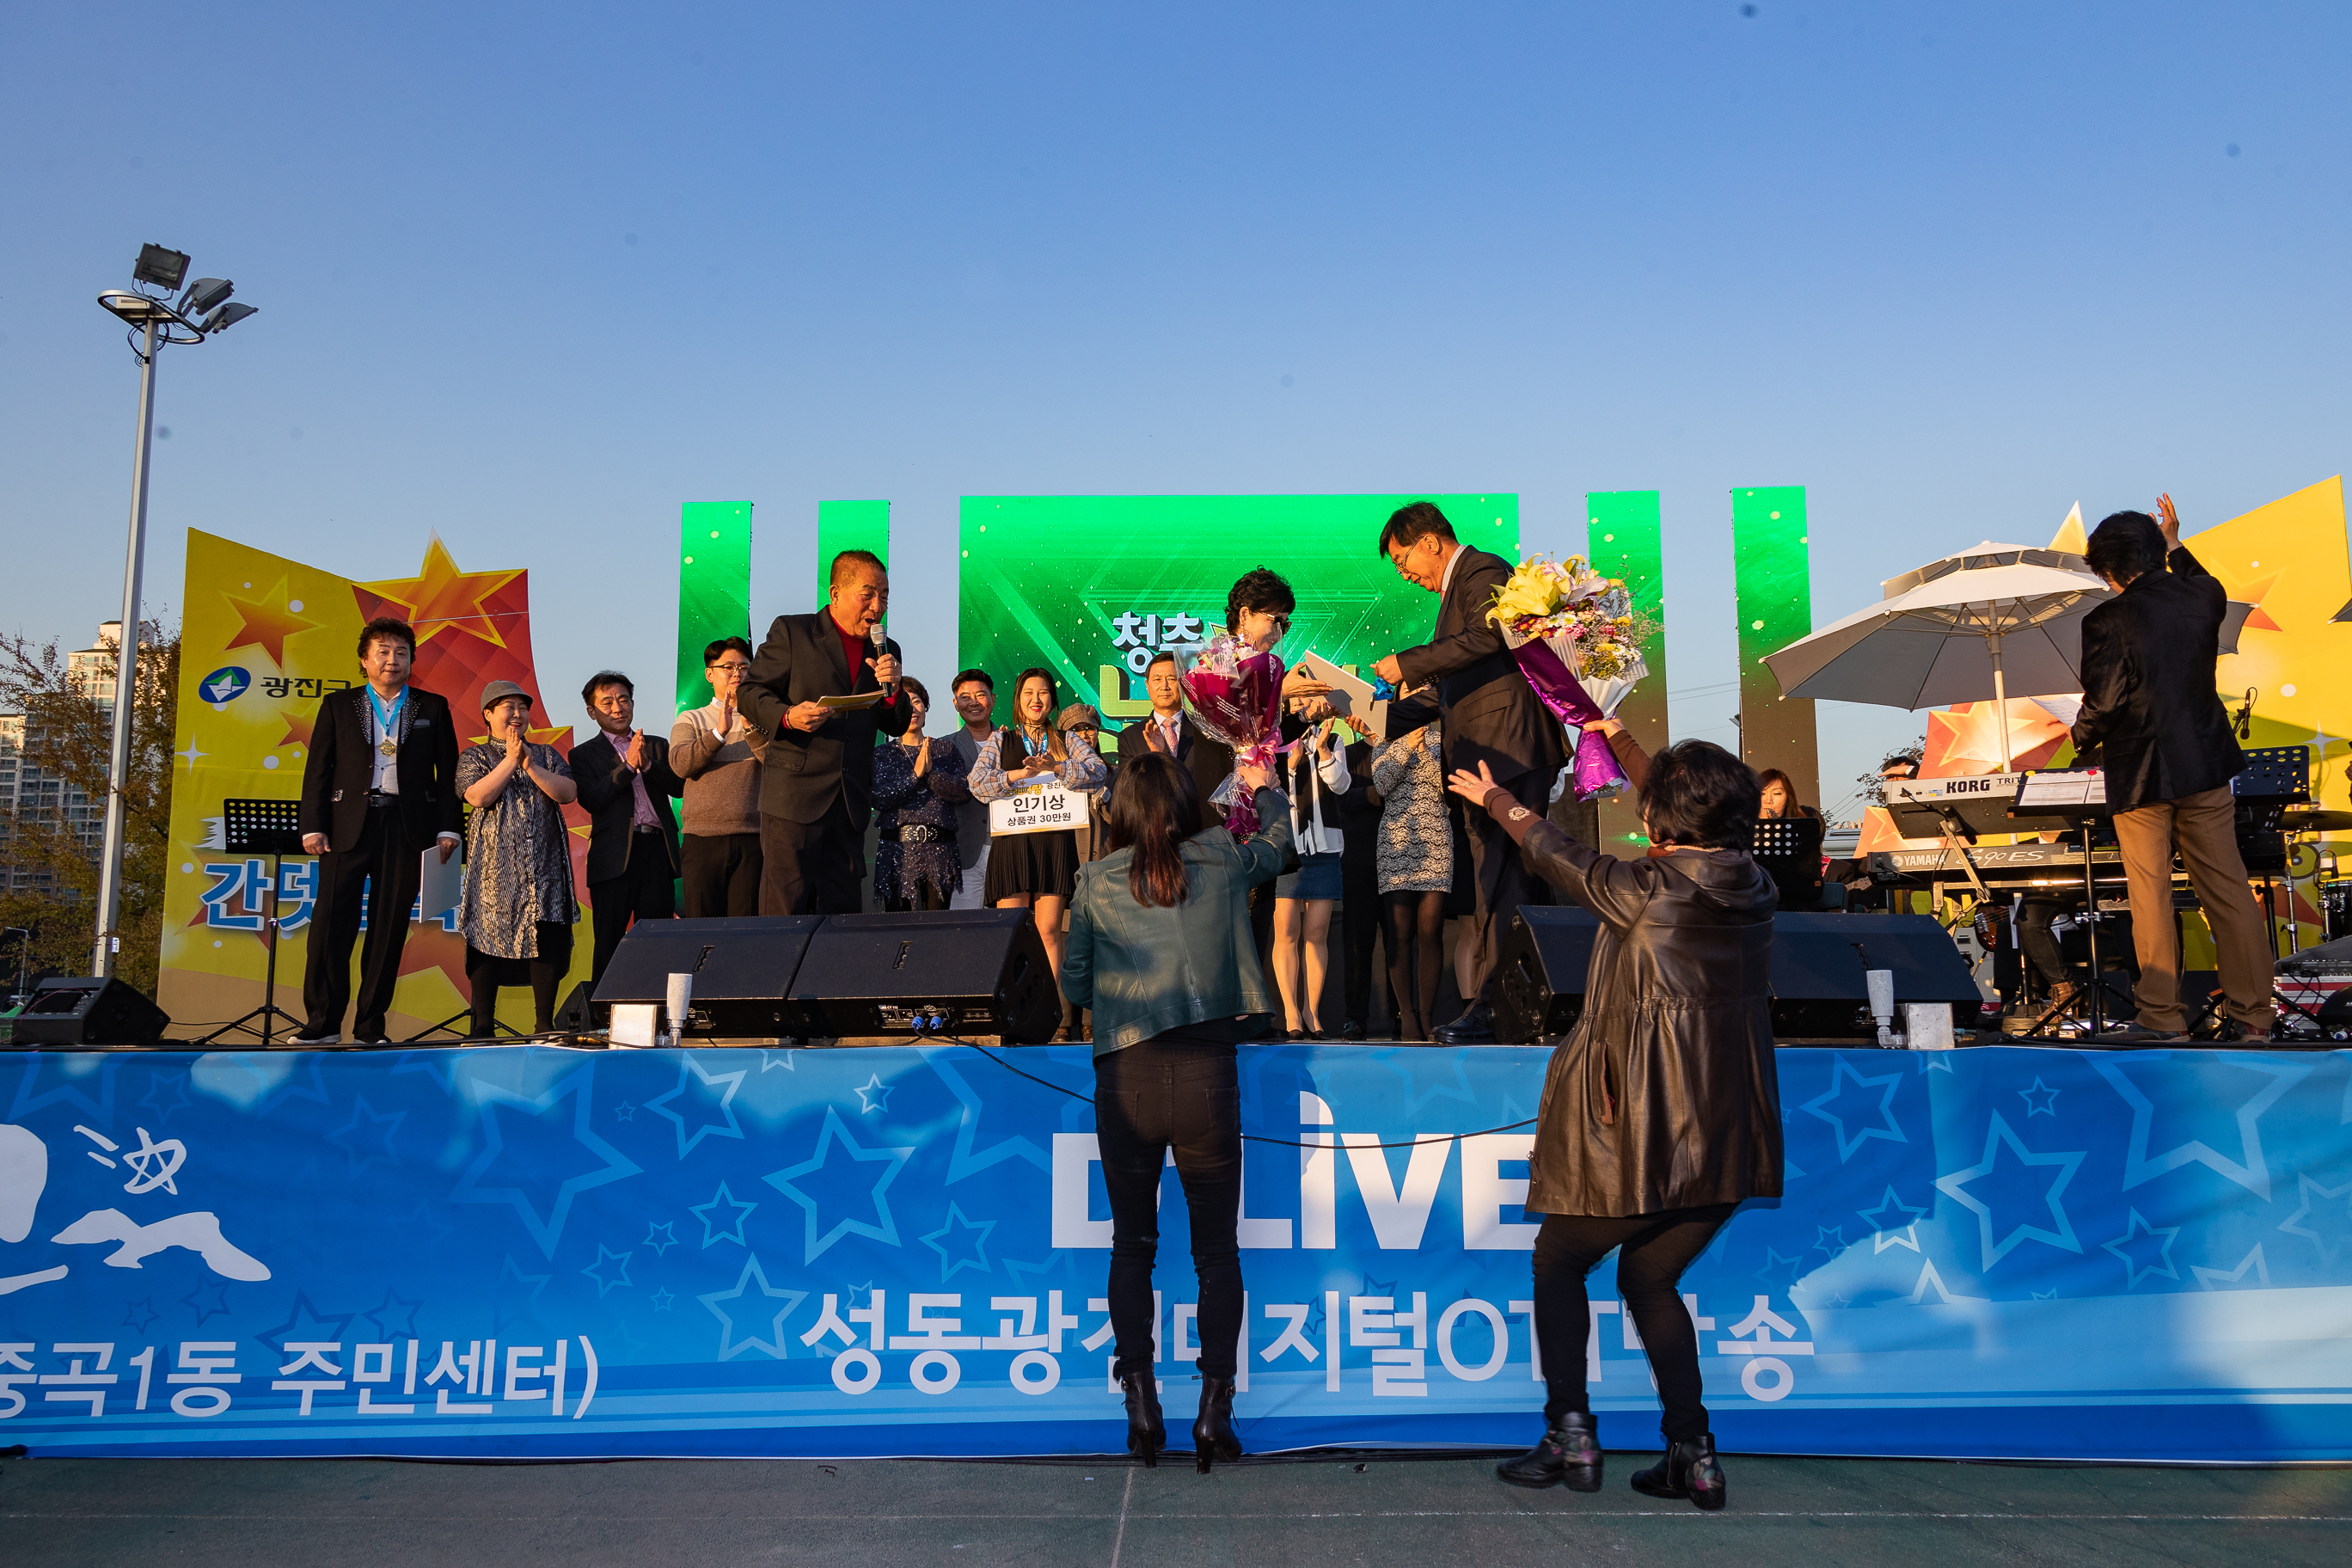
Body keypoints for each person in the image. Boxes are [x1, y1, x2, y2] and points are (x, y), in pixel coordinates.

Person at [1447, 741, 1779, 1511]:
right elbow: (1693, 805)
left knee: (1558, 1261)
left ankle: (1570, 1434)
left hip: (1647, 1135)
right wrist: (1621, 739)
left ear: (1663, 815)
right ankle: (1694, 1453)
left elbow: (1556, 852)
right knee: (1649, 1277)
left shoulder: (1646, 889)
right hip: (1728, 1139)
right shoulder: (1756, 885)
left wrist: (1498, 801)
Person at [1061, 750, 1290, 1473]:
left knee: (1133, 1246)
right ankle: (1215, 1409)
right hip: (1206, 1075)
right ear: (1188, 802)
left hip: (1126, 1076)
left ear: (1120, 811)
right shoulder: (1223, 858)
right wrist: (1267, 789)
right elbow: (1280, 845)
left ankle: (1140, 1403)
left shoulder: (1095, 879)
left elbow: (1074, 981)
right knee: (1216, 1250)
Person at [2074, 495, 2273, 1042]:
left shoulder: (2106, 619)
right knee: (2229, 891)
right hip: (2205, 763)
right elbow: (2196, 576)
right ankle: (2255, 1018)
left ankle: (2162, 1020)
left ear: (2107, 571)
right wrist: (2175, 540)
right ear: (2157, 552)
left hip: (2140, 771)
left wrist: (2079, 737)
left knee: (2151, 895)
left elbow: (2106, 701)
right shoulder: (2205, 596)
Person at [1372, 501, 1565, 1043]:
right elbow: (1443, 694)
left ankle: (1495, 1006)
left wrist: (1407, 663)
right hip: (1490, 753)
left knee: (1500, 881)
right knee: (1508, 881)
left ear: (1430, 542)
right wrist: (1372, 713)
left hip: (1506, 748)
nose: (1405, 575)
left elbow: (1489, 636)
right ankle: (1521, 1002)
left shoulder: (1482, 569)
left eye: (1402, 560)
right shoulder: (1457, 590)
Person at [294, 616, 462, 1045]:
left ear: (412, 661)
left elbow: (448, 774)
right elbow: (319, 768)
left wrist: (449, 828)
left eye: (401, 653)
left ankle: (370, 1027)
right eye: (383, 652)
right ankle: (322, 1024)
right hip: (346, 826)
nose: (392, 660)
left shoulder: (432, 706)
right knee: (330, 927)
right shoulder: (338, 705)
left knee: (388, 930)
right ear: (364, 660)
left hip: (406, 829)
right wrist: (312, 826)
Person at [738, 549, 914, 915]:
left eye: (884, 597)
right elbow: (749, 693)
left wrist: (894, 690)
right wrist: (788, 716)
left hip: (849, 802)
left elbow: (896, 724)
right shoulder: (793, 632)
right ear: (835, 593)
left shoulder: (886, 649)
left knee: (841, 915)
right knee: (785, 910)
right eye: (867, 595)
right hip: (794, 796)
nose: (877, 606)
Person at [968, 668, 1111, 1016]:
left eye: (1043, 692)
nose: (1036, 699)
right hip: (1013, 844)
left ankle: (1047, 1013)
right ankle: (1013, 1011)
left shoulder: (1066, 739)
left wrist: (1058, 767)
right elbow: (977, 783)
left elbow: (1098, 771)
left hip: (1054, 846)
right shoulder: (1001, 740)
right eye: (1028, 693)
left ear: (1052, 700)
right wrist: (1016, 775)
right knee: (1012, 931)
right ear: (1018, 700)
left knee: (1048, 931)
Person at [457, 681, 581, 1037]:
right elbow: (478, 797)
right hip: (493, 870)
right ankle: (483, 1026)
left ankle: (543, 1024)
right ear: (488, 714)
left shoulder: (546, 754)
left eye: (523, 708)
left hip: (545, 867)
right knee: (486, 936)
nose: (517, 714)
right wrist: (510, 760)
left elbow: (568, 792)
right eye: (508, 707)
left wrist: (529, 764)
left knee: (547, 936)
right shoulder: (474, 757)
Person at [572, 671, 683, 983]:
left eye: (623, 700)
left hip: (657, 852)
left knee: (657, 940)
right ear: (592, 711)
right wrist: (628, 767)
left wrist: (647, 764)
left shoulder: (656, 745)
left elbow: (679, 787)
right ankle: (603, 1009)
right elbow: (592, 798)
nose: (618, 708)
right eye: (607, 702)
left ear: (633, 704)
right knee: (609, 942)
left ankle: (657, 1006)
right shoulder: (582, 754)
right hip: (614, 857)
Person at [671, 636, 768, 917]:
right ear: (709, 674)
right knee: (702, 930)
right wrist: (718, 733)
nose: (737, 673)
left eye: (744, 667)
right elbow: (680, 765)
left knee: (746, 932)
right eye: (728, 667)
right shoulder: (691, 719)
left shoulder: (764, 719)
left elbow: (779, 766)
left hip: (753, 838)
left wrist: (752, 730)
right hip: (702, 840)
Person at [1271, 713, 1352, 1038]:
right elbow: (1265, 789)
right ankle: (1291, 1011)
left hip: (1325, 846)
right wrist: (1290, 767)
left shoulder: (1332, 740)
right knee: (1286, 933)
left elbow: (1341, 785)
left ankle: (1312, 1011)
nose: (1309, 706)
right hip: (1287, 846)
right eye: (1302, 700)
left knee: (1317, 933)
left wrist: (1323, 752)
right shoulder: (1274, 742)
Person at [1371, 722, 1451, 1042]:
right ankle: (1407, 1015)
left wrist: (1424, 751)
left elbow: (1446, 787)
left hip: (1436, 840)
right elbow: (1382, 784)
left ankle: (1427, 1014)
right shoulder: (1384, 737)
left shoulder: (1442, 737)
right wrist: (1405, 746)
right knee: (1400, 933)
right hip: (1397, 841)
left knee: (1431, 931)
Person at [870, 677, 971, 912]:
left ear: (925, 707)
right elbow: (879, 798)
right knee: (898, 927)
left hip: (940, 850)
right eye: (904, 703)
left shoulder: (945, 749)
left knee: (936, 927)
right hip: (897, 851)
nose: (912, 709)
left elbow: (963, 792)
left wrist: (932, 774)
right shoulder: (884, 753)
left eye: (916, 702)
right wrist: (915, 775)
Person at [1332, 727, 1391, 1038]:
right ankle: (1355, 1017)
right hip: (1358, 859)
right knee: (1357, 943)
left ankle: (1404, 1014)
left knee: (1399, 942)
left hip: (1398, 860)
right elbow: (1339, 799)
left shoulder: (1400, 751)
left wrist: (1367, 795)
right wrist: (1376, 793)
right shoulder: (1348, 753)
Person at [945, 669, 998, 910]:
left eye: (981, 695)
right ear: (956, 704)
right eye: (965, 697)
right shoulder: (944, 747)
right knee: (963, 926)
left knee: (1007, 925)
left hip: (1007, 849)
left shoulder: (1014, 742)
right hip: (964, 851)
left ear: (993, 699)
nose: (974, 702)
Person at [1058, 702, 1115, 867]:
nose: (1083, 735)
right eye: (1075, 730)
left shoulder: (1115, 774)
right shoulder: (1052, 776)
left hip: (1103, 864)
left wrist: (1102, 794)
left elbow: (1121, 820)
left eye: (1089, 728)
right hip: (1064, 863)